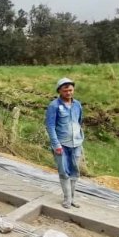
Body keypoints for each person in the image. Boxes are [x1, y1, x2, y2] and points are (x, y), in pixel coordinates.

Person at [45, 77, 84, 209]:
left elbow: (79, 121)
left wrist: (80, 137)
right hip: (61, 144)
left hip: (76, 143)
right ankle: (67, 199)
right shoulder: (54, 106)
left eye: (70, 90)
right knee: (64, 171)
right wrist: (56, 144)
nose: (68, 93)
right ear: (60, 91)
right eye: (65, 90)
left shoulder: (77, 105)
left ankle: (73, 198)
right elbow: (50, 126)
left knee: (75, 171)